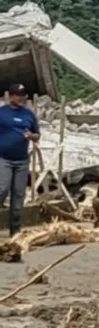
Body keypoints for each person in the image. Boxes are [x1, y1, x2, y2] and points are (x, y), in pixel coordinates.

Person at [0, 84, 40, 237]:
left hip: (22, 161)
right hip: (4, 159)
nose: (22, 98)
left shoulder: (29, 115)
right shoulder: (2, 113)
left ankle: (15, 230)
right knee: (2, 190)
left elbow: (37, 135)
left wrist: (31, 136)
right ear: (11, 96)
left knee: (18, 195)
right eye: (19, 96)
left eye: (24, 96)